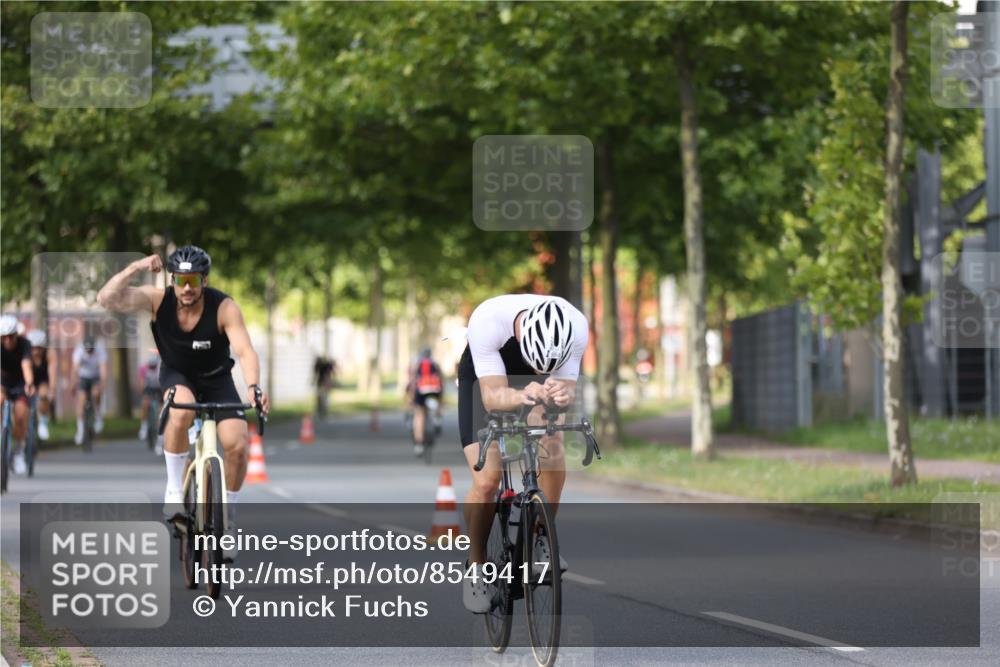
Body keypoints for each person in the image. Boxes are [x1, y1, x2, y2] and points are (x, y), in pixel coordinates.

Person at [96, 246, 270, 560]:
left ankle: (227, 520)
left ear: (204, 280)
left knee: (237, 444)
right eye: (180, 280)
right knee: (179, 408)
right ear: (172, 279)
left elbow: (245, 351)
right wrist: (136, 266)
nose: (186, 288)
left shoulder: (224, 307)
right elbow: (106, 298)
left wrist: (255, 387)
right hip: (178, 375)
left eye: (193, 280)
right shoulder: (157, 300)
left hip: (217, 379)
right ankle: (174, 489)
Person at [457, 295, 588, 613]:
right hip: (485, 380)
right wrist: (522, 392)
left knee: (553, 441)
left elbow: (568, 392)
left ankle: (541, 535)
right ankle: (476, 569)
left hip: (544, 377)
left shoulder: (576, 328)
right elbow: (491, 398)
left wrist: (559, 394)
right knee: (487, 479)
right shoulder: (488, 321)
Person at [1, 315, 36, 475]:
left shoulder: (25, 344)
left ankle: (19, 450)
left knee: (21, 415)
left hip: (20, 382)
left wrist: (29, 384)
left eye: (11, 336)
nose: (7, 341)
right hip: (3, 381)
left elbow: (26, 365)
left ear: (16, 335)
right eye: (4, 337)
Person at [71, 334, 107, 445]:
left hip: (95, 376)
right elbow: (75, 369)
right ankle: (80, 431)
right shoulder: (79, 351)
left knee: (96, 393)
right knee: (81, 402)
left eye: (91, 349)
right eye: (87, 350)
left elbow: (103, 370)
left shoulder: (100, 350)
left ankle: (97, 415)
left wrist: (102, 385)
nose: (89, 352)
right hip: (83, 376)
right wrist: (73, 384)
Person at [407, 346, 443, 455]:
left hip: (421, 390)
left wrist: (411, 397)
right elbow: (441, 380)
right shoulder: (435, 365)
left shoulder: (417, 364)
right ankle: (437, 418)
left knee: (419, 414)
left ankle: (419, 444)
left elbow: (413, 382)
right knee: (436, 403)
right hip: (434, 390)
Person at [26, 329, 54, 441]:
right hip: (28, 379)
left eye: (39, 348)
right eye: (33, 348)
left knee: (43, 394)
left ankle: (43, 422)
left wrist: (52, 389)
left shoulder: (50, 354)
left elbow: (52, 372)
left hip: (43, 378)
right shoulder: (25, 354)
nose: (36, 351)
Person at [138, 349, 162, 450]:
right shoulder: (144, 369)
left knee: (161, 411)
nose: (152, 368)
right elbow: (142, 384)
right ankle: (144, 425)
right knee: (145, 403)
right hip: (149, 388)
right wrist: (143, 393)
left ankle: (160, 431)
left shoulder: (160, 368)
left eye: (153, 366)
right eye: (150, 366)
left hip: (159, 388)